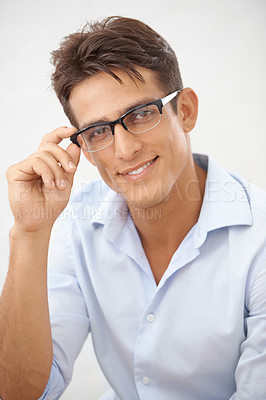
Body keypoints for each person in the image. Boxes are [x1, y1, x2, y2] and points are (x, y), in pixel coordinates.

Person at [0, 15, 266, 400]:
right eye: (97, 132)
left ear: (186, 111)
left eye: (141, 114)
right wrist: (28, 232)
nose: (124, 151)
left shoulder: (259, 238)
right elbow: (20, 392)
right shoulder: (76, 229)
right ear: (84, 149)